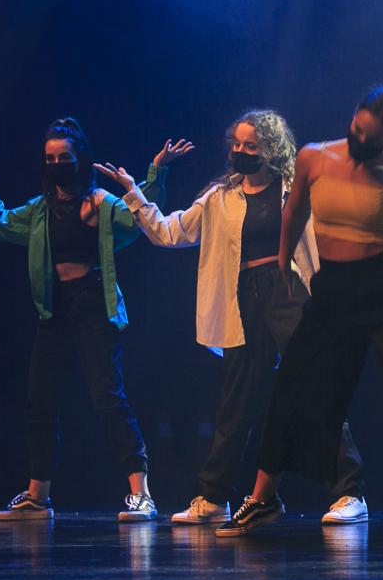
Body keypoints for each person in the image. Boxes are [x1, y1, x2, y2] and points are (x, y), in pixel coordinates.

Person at [215, 86, 383, 539]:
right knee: (292, 386)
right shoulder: (314, 158)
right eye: (357, 128)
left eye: (371, 136)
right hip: (333, 288)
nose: (360, 139)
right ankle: (264, 498)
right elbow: (294, 210)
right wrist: (283, 261)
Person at [103, 110, 367, 526]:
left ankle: (349, 493)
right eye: (238, 144)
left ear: (271, 150)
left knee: (315, 388)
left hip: (288, 292)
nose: (241, 151)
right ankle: (214, 498)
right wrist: (135, 192)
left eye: (251, 146)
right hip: (242, 298)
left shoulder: (295, 188)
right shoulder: (219, 197)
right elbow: (170, 232)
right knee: (235, 401)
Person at [0, 117, 184, 521]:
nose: (56, 164)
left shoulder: (98, 202)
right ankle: (38, 496)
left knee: (107, 396)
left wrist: (156, 173)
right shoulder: (40, 209)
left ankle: (141, 492)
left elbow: (141, 217)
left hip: (92, 306)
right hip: (54, 309)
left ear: (79, 158)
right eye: (50, 158)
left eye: (63, 157)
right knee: (39, 401)